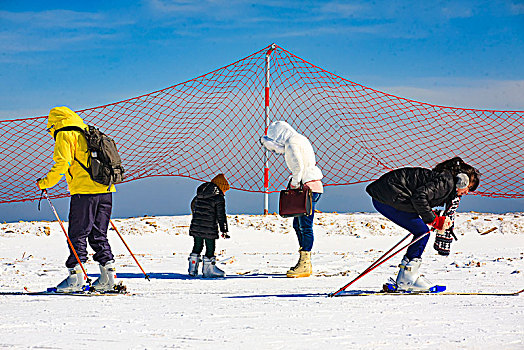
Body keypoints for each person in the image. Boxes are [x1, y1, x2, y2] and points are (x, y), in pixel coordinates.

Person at [366, 156, 480, 291]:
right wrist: (434, 220)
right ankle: (407, 279)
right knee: (422, 232)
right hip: (388, 198)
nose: (466, 192)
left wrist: (433, 217)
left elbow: (421, 198)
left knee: (421, 231)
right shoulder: (446, 183)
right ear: (462, 181)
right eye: (468, 188)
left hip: (388, 196)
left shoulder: (445, 182)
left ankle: (406, 277)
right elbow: (420, 197)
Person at [37, 106, 117, 292]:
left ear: (54, 123)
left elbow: (63, 163)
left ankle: (76, 278)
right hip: (106, 190)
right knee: (99, 234)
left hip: (84, 192)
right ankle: (109, 277)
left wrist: (45, 182)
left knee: (77, 234)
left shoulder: (65, 134)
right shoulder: (89, 132)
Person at [260, 121, 323, 278]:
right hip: (314, 186)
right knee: (298, 224)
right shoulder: (301, 139)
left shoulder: (292, 142)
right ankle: (304, 259)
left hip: (306, 188)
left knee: (305, 226)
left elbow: (298, 168)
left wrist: (294, 184)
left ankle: (305, 263)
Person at [188, 173, 230, 278]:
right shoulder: (218, 197)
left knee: (197, 246)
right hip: (209, 227)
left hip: (196, 225)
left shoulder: (200, 193)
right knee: (210, 248)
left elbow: (193, 205)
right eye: (225, 190)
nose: (224, 193)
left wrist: (198, 217)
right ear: (221, 186)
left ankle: (192, 269)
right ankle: (209, 270)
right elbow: (221, 215)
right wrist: (224, 230)